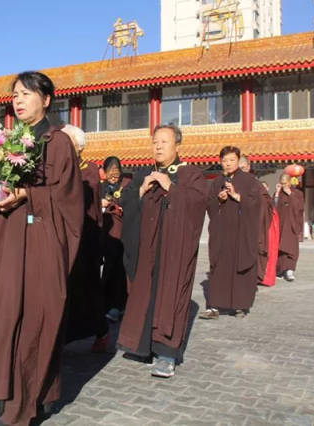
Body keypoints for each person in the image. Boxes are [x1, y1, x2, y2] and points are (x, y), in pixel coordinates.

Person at [0, 71, 83, 425]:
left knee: (35, 319)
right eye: (15, 95)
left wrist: (27, 194)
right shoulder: (7, 143)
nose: (18, 100)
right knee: (6, 315)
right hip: (8, 238)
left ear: (47, 99)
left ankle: (20, 406)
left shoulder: (57, 142)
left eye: (26, 93)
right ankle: (25, 393)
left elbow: (68, 197)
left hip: (41, 240)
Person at [117, 125, 207, 378]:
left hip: (173, 251)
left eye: (164, 142)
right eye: (155, 142)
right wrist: (141, 191)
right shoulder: (144, 173)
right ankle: (142, 346)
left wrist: (171, 188)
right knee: (144, 293)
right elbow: (126, 200)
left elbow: (199, 203)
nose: (158, 147)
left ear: (178, 145)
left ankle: (166, 354)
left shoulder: (190, 174)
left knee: (171, 295)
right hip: (146, 250)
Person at [61, 124, 109, 352]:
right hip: (64, 237)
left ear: (78, 148)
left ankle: (102, 331)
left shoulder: (88, 170)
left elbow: (83, 197)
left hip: (86, 239)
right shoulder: (61, 168)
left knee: (89, 288)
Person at [200, 146, 262, 319]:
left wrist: (237, 196)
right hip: (221, 233)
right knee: (218, 266)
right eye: (224, 161)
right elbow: (209, 205)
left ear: (238, 160)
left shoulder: (250, 181)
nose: (227, 164)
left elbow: (257, 205)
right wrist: (218, 200)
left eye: (231, 160)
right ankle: (214, 306)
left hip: (242, 233)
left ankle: (240, 305)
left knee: (240, 266)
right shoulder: (216, 181)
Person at [100, 156, 132, 322]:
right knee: (109, 269)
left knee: (123, 271)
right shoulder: (102, 187)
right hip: (108, 236)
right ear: (104, 173)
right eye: (110, 171)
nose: (113, 174)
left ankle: (122, 306)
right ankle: (108, 305)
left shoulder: (127, 185)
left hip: (124, 235)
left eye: (116, 171)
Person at [239, 156, 279, 287]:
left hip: (255, 223)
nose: (240, 171)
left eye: (243, 168)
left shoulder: (255, 184)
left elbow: (263, 203)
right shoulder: (232, 182)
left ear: (249, 167)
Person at [275, 173, 304, 281]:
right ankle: (280, 270)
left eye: (285, 183)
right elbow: (273, 208)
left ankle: (290, 270)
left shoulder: (297, 193)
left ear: (290, 182)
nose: (284, 185)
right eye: (282, 183)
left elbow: (300, 208)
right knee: (280, 249)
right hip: (281, 225)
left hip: (291, 225)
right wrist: (277, 194)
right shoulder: (279, 193)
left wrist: (290, 194)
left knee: (290, 248)